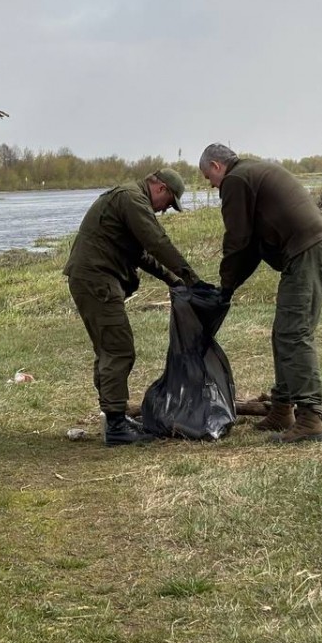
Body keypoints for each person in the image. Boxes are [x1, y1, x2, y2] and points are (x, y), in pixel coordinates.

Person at [198, 143, 322, 443]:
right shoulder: (251, 172)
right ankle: (282, 409)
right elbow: (251, 247)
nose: (210, 184)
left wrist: (225, 286)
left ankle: (310, 419)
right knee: (283, 332)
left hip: (306, 250)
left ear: (217, 166)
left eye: (209, 177)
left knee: (294, 332)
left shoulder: (236, 180)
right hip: (309, 248)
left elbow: (237, 240)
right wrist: (228, 287)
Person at [64, 168, 201, 446]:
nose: (164, 211)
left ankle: (115, 415)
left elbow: (142, 255)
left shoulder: (128, 198)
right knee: (118, 349)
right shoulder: (133, 199)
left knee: (108, 348)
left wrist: (174, 280)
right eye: (169, 203)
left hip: (93, 279)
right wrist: (190, 277)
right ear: (160, 188)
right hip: (97, 280)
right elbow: (156, 242)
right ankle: (115, 427)